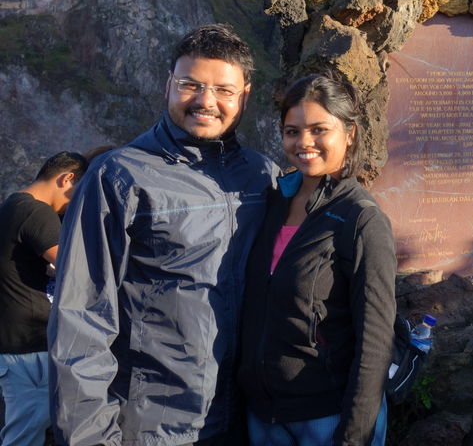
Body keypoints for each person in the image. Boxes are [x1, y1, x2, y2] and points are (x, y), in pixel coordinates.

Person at [48, 24, 277, 446]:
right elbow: (81, 319)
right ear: (169, 83)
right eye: (191, 84)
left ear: (244, 94)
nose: (206, 101)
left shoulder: (263, 177)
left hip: (245, 423)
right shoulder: (119, 176)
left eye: (223, 90)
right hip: (149, 428)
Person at [239, 70, 396, 446]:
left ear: (350, 133)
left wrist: (353, 436)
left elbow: (374, 342)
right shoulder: (273, 202)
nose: (304, 142)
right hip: (264, 417)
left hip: (325, 419)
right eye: (292, 131)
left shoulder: (361, 219)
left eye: (319, 130)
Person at [0, 152, 87, 446]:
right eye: (78, 194)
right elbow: (73, 267)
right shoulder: (36, 211)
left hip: (18, 347)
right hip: (27, 351)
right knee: (25, 434)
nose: (74, 206)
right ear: (67, 179)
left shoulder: (13, 205)